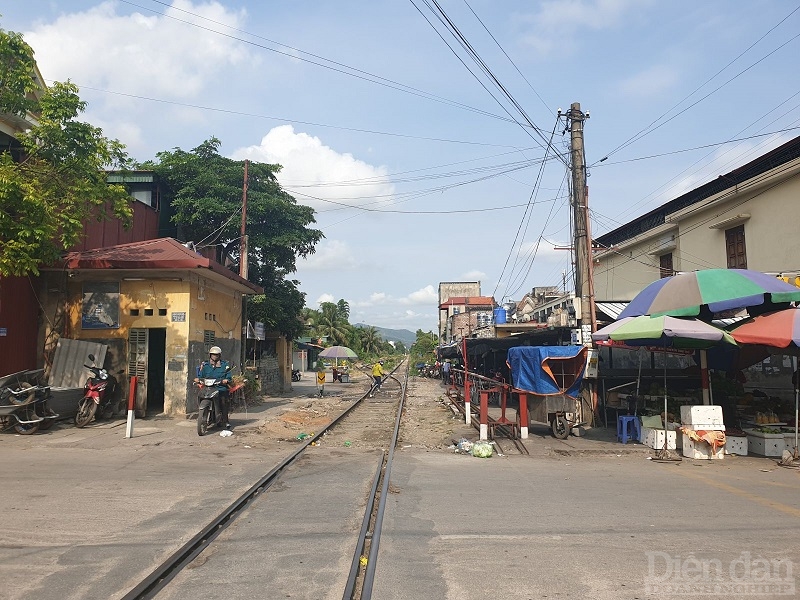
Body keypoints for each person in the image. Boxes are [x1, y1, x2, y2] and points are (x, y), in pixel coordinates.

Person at [194, 346, 231, 429]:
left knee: (223, 401)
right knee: (201, 395)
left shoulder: (224, 365)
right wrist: (198, 379)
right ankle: (205, 414)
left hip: (220, 388)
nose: (215, 356)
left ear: (219, 355)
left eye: (216, 355)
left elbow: (228, 376)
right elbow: (201, 376)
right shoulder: (205, 365)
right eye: (213, 354)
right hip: (208, 388)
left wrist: (226, 380)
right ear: (210, 355)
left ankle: (225, 420)